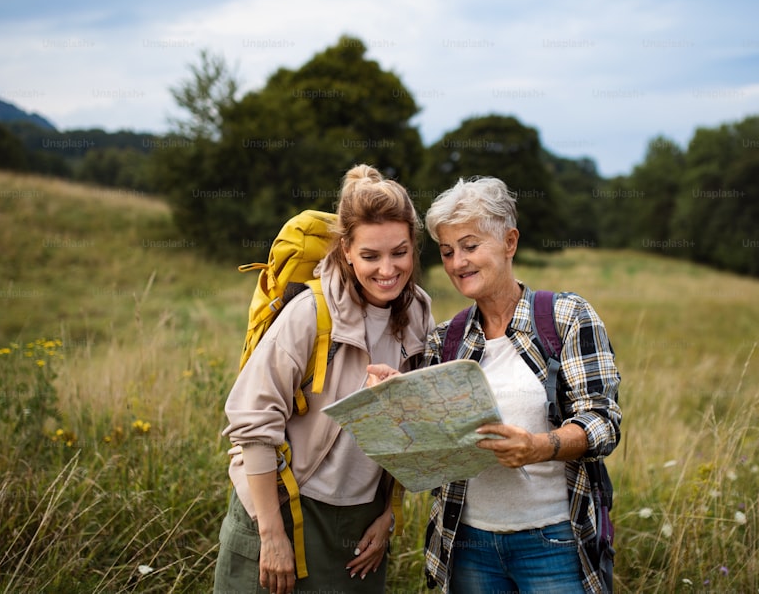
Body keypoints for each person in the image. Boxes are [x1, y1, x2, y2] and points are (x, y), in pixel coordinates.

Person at [214, 165, 435, 594]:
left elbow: (411, 429)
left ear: (414, 247)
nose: (387, 270)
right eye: (370, 256)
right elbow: (252, 421)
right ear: (346, 250)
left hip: (360, 524)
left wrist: (387, 513)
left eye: (400, 252)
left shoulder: (419, 313)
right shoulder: (310, 312)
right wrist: (272, 536)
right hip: (281, 508)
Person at [422, 176, 621, 594]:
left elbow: (602, 421)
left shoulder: (567, 317)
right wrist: (394, 393)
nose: (458, 262)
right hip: (468, 543)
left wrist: (538, 446)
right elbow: (431, 441)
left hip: (553, 541)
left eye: (471, 245)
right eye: (447, 251)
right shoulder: (446, 339)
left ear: (509, 242)